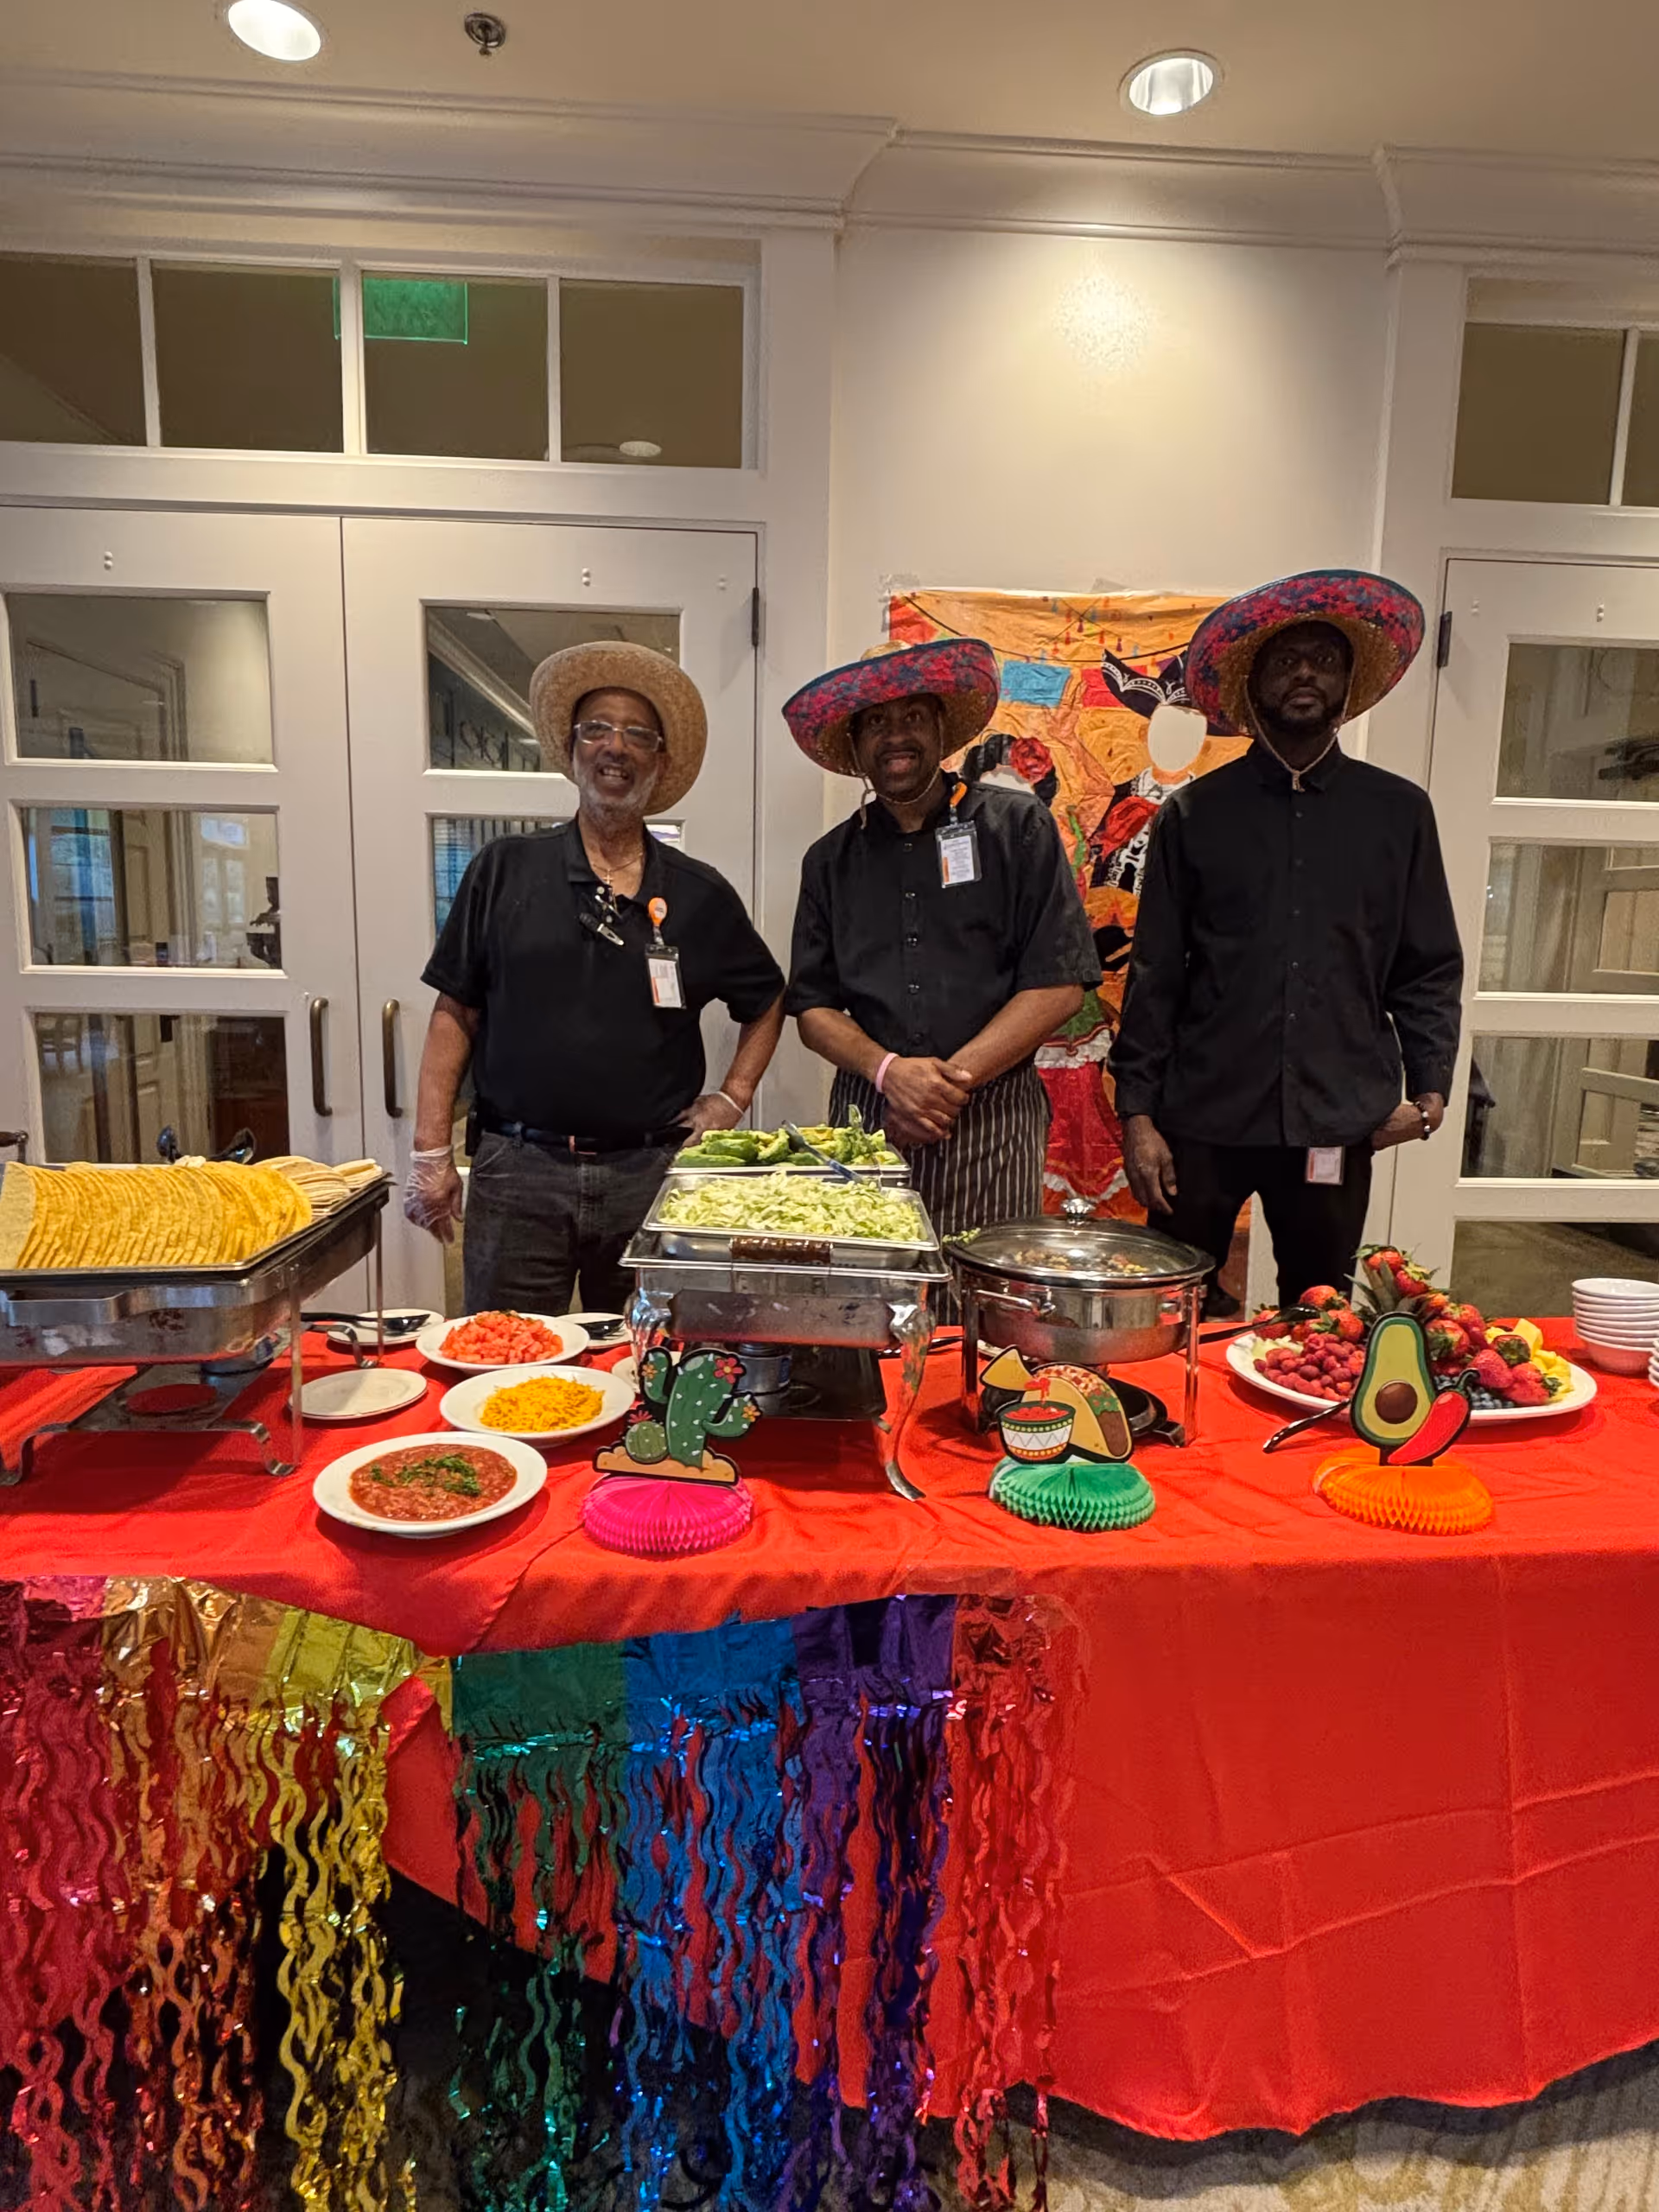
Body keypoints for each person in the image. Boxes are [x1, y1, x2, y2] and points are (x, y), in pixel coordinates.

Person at [1109, 569, 1463, 1309]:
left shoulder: (1398, 814)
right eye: (1285, 660)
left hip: (1336, 1116)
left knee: (1319, 1311)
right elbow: (1155, 976)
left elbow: (1426, 964)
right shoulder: (1194, 816)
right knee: (1173, 1309)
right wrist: (1139, 1117)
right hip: (1202, 1114)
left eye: (1324, 660)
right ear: (1254, 684)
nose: (1305, 673)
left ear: (1346, 685)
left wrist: (1428, 1089)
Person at [404, 640, 785, 1313]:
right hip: (518, 1171)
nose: (617, 747)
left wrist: (730, 1099)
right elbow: (453, 1013)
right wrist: (430, 1151)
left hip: (653, 1174)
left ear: (661, 761)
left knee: (657, 1368)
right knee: (508, 1368)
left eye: (639, 734)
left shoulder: (698, 893)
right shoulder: (505, 869)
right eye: (598, 729)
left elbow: (768, 999)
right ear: (573, 749)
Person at [782, 638, 1100, 1236]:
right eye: (875, 722)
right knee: (870, 1301)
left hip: (993, 1117)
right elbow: (813, 1009)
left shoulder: (1017, 827)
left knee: (984, 1306)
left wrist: (944, 1086)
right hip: (868, 1117)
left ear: (940, 728)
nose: (894, 735)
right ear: (854, 745)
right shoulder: (829, 861)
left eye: (911, 716)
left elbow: (1059, 986)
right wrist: (891, 1076)